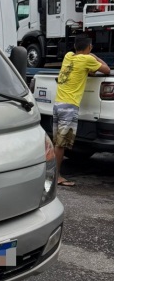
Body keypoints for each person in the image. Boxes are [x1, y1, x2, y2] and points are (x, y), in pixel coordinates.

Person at [51, 35, 110, 186]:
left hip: (58, 105)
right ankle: (56, 177)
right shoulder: (87, 59)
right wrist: (94, 56)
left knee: (56, 143)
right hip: (69, 107)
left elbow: (87, 71)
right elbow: (106, 69)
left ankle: (51, 174)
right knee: (61, 145)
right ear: (89, 47)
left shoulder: (68, 56)